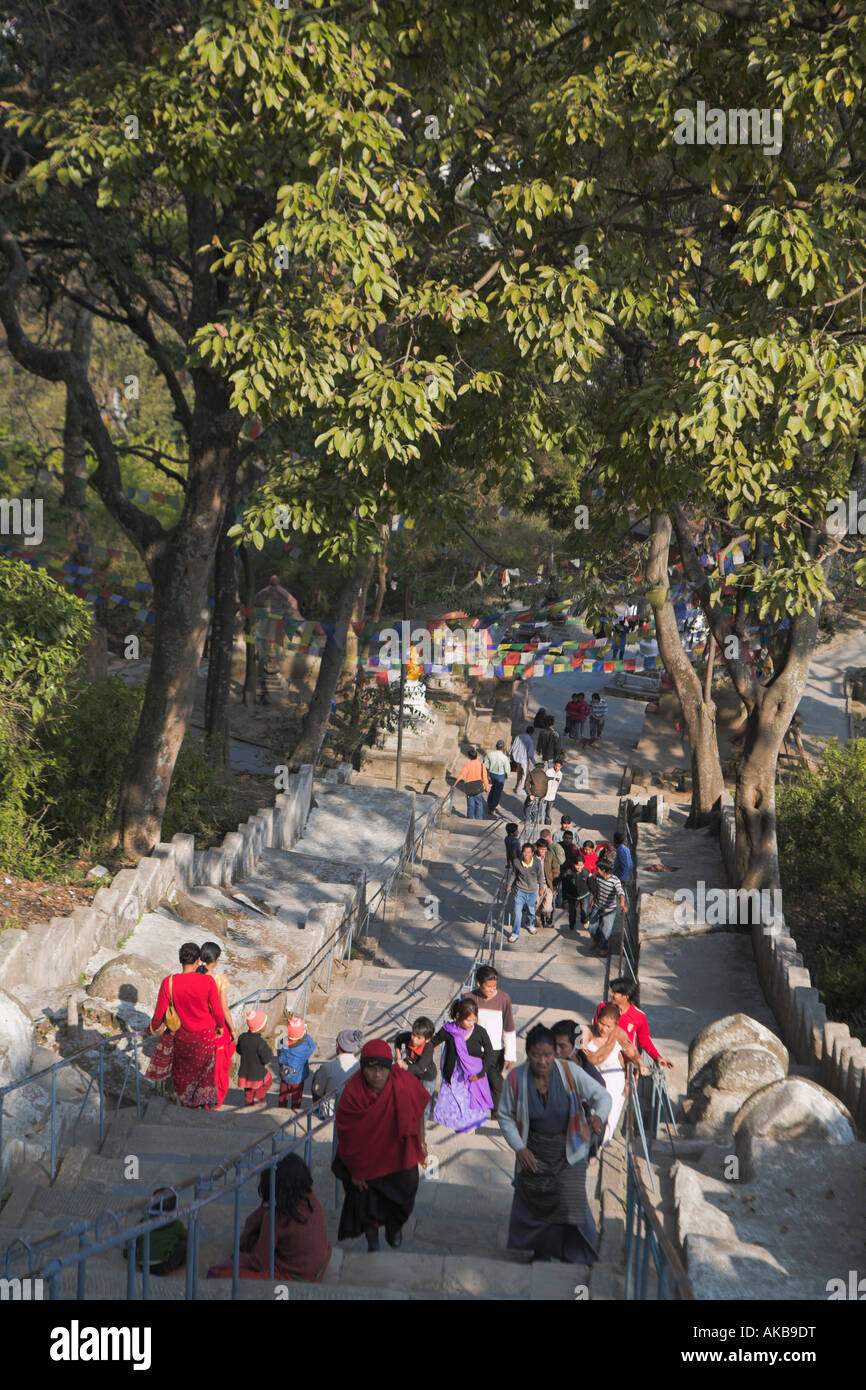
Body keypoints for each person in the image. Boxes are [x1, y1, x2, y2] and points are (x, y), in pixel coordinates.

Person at [497, 1023, 612, 1264]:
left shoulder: (569, 1072)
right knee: (537, 1204)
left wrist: (599, 1116)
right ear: (528, 1054)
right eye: (536, 1056)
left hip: (570, 1147)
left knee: (570, 1201)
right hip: (533, 1150)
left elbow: (602, 1096)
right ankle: (541, 1252)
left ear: (555, 1054)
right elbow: (505, 1115)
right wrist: (519, 1148)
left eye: (548, 1055)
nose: (542, 1061)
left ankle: (575, 1253)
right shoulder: (517, 1078)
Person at [332, 1038, 429, 1252]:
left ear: (389, 1067)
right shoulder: (352, 1095)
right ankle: (372, 1242)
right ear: (362, 1068)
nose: (377, 1074)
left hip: (400, 1153)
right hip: (364, 1162)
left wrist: (421, 1141)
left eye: (382, 1069)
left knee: (407, 1191)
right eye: (371, 1069)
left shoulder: (404, 1082)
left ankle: (395, 1227)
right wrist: (355, 1171)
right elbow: (346, 1135)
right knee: (366, 1202)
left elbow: (419, 1109)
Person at [207, 1154, 331, 1282]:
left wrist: (238, 1257)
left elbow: (259, 1263)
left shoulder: (274, 1219)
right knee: (258, 1217)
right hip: (318, 1266)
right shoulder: (310, 1197)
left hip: (295, 1276)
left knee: (218, 1273)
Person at [146, 943, 225, 1109]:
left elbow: (159, 1015)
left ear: (181, 960)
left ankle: (185, 1104)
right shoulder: (208, 981)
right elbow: (218, 1011)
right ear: (198, 961)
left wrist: (151, 1029)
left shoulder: (169, 982)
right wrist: (220, 1026)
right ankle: (201, 1103)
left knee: (183, 1072)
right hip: (205, 1035)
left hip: (182, 1037)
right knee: (203, 1071)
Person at [581, 1005, 648, 1145]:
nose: (604, 1029)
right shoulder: (587, 1032)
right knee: (590, 1114)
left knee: (608, 1116)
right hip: (592, 1080)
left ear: (615, 1025)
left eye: (608, 1026)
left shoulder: (619, 1035)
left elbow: (633, 1053)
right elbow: (579, 1048)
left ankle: (599, 1146)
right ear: (597, 1020)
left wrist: (641, 1065)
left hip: (614, 1082)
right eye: (601, 1023)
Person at [431, 997, 495, 1133]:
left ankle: (468, 1130)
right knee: (453, 1107)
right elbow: (433, 1042)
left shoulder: (480, 1032)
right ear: (458, 1016)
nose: (472, 1023)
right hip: (453, 1077)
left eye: (474, 1019)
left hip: (473, 1077)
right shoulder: (448, 1031)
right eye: (468, 1020)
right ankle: (456, 1131)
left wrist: (481, 1073)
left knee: (469, 1107)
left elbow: (490, 1052)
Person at [594, 978, 674, 1069]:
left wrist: (657, 1057)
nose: (611, 994)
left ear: (626, 996)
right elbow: (594, 1030)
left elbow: (644, 1039)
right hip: (603, 1058)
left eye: (615, 992)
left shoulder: (639, 1016)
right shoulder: (603, 1008)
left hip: (627, 1063)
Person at [468, 965, 517, 1111]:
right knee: (482, 1082)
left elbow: (509, 1026)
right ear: (478, 984)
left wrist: (510, 1054)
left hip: (496, 1050)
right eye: (488, 986)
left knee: (496, 1083)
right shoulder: (469, 998)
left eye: (494, 986)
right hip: (475, 1051)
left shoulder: (503, 999)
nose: (492, 990)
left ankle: (498, 1115)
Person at [196, 942, 236, 1109]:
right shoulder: (220, 979)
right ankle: (215, 1097)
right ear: (216, 960)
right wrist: (233, 1029)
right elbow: (224, 1007)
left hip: (199, 1025)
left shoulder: (195, 977)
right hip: (217, 1025)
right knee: (219, 1064)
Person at [311, 1028, 363, 1115]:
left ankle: (316, 1111)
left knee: (317, 1077)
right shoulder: (361, 1068)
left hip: (330, 1113)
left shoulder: (327, 1068)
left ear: (337, 1045)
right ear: (353, 1049)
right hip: (353, 1113)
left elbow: (317, 1091)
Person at [135, 1189, 186, 1278]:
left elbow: (132, 1243)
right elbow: (188, 1237)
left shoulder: (143, 1222)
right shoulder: (176, 1224)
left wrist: (128, 1254)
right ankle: (181, 1267)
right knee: (184, 1245)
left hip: (143, 1265)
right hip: (162, 1267)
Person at [393, 1017, 437, 1105]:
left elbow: (420, 1068)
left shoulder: (428, 1048)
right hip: (414, 1074)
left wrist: (404, 1066)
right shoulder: (408, 1037)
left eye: (419, 1038)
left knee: (424, 1103)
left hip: (427, 1077)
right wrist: (398, 1057)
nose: (414, 1039)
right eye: (413, 1034)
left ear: (427, 1039)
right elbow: (398, 1040)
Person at [550, 1020, 605, 1089]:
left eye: (562, 1046)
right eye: (553, 1045)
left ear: (576, 1048)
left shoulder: (592, 1078)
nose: (557, 1051)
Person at [235, 1010, 274, 1106]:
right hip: (257, 1072)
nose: (266, 1025)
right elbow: (266, 1058)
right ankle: (258, 1097)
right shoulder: (260, 1043)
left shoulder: (242, 1037)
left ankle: (248, 1106)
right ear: (260, 1027)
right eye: (265, 1023)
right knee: (268, 1081)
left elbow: (239, 1050)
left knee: (248, 1091)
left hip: (245, 1072)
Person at [507, 842, 545, 942]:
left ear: (532, 853)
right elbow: (513, 874)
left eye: (529, 852)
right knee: (517, 912)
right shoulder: (516, 862)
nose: (526, 854)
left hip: (532, 891)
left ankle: (530, 924)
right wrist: (509, 885)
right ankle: (515, 933)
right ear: (522, 853)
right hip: (520, 891)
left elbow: (540, 876)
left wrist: (541, 888)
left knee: (531, 911)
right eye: (524, 852)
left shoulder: (536, 862)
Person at [277, 1017, 316, 1109]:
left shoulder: (282, 1042)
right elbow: (312, 1046)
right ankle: (295, 1111)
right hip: (298, 1078)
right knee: (296, 1097)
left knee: (283, 1095)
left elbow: (279, 1050)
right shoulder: (303, 1049)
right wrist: (306, 1035)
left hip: (285, 1075)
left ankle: (281, 1108)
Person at [588, 861, 626, 955]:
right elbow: (594, 884)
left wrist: (622, 904)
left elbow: (621, 892)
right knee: (591, 927)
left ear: (603, 870)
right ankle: (596, 940)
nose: (596, 870)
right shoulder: (597, 876)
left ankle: (604, 947)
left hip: (609, 910)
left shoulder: (615, 880)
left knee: (606, 932)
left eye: (598, 869)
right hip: (597, 906)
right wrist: (593, 899)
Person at [559, 838, 593, 930]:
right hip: (571, 895)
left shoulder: (586, 873)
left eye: (581, 865)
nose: (579, 867)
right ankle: (572, 925)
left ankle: (584, 920)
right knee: (572, 912)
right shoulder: (568, 874)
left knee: (584, 911)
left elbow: (591, 886)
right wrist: (565, 900)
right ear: (573, 864)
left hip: (584, 894)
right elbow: (564, 888)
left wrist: (594, 897)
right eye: (577, 865)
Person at [453, 746, 489, 820]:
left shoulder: (467, 765)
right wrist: (486, 788)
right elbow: (485, 778)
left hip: (469, 787)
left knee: (470, 805)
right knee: (479, 804)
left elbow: (461, 774)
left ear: (469, 757)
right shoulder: (482, 765)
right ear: (476, 755)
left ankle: (469, 819)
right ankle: (479, 819)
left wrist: (455, 784)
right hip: (478, 787)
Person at [483, 740, 511, 817]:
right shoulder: (504, 758)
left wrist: (487, 773)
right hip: (500, 776)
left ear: (496, 746)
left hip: (492, 774)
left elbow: (485, 764)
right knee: (497, 792)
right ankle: (492, 808)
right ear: (503, 747)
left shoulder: (490, 754)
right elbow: (507, 769)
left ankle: (489, 803)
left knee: (493, 789)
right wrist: (507, 776)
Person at [534, 838, 556, 928]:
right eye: (541, 849)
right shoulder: (533, 857)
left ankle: (547, 917)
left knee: (547, 907)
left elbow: (556, 869)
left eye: (545, 849)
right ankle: (538, 921)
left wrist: (554, 882)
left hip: (548, 884)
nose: (543, 851)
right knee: (536, 905)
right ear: (537, 848)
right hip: (535, 884)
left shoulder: (550, 855)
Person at [510, 727, 536, 794]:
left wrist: (510, 754)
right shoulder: (530, 741)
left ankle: (517, 787)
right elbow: (531, 755)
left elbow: (513, 746)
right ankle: (519, 790)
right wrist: (535, 763)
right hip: (524, 760)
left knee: (519, 774)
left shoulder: (518, 737)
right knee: (524, 776)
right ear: (532, 733)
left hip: (517, 759)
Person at [542, 757, 564, 825]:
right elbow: (543, 783)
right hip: (544, 795)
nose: (557, 768)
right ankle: (540, 823)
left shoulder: (560, 774)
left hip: (552, 797)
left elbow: (558, 784)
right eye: (556, 766)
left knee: (548, 812)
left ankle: (547, 824)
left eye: (559, 766)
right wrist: (543, 794)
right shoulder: (548, 771)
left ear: (561, 766)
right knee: (542, 811)